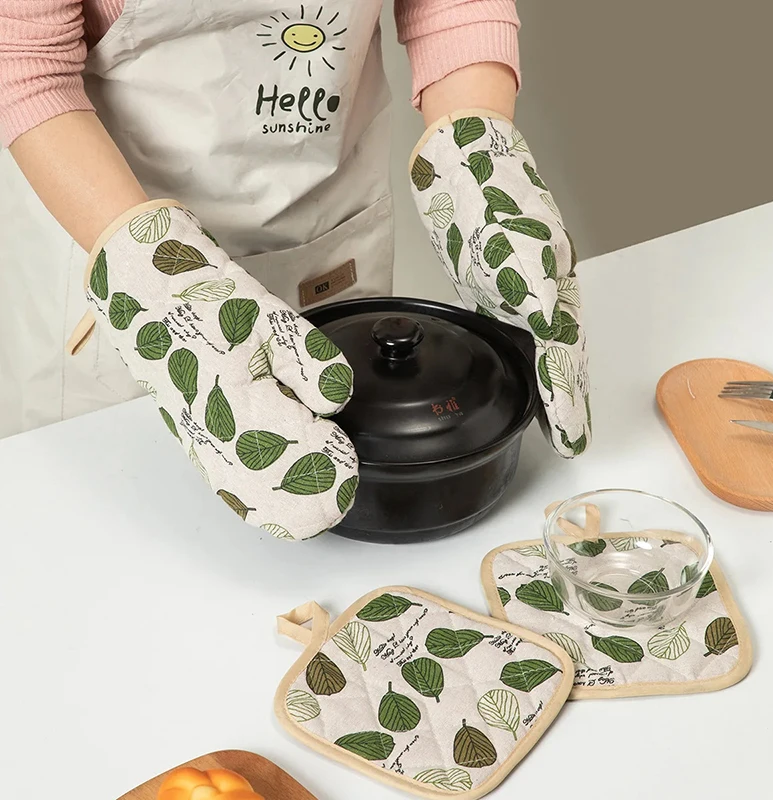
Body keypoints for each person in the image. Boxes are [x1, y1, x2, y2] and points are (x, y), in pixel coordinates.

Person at [0, 1, 590, 539]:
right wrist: (157, 275)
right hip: (125, 244)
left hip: (323, 230)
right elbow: (25, 60)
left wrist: (479, 164)